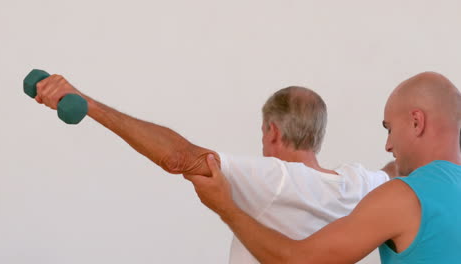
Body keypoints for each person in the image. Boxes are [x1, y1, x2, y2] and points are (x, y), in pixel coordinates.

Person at [35, 77, 394, 263]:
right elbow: (397, 167)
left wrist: (88, 103)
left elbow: (180, 158)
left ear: (272, 131)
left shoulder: (274, 178)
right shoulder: (363, 183)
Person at [185, 71, 461, 263]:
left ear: (416, 122)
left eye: (389, 129)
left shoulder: (402, 198)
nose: (388, 145)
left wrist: (226, 208)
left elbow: (296, 260)